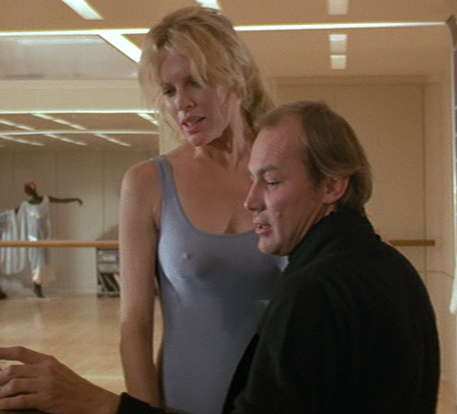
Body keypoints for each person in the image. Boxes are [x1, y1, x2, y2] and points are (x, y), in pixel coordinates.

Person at [0, 100, 440, 414]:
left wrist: (97, 403)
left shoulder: (314, 291)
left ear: (331, 186)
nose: (251, 200)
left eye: (271, 182)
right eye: (252, 179)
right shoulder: (391, 268)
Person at [118, 6, 285, 414]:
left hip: (283, 396)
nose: (182, 104)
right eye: (169, 91)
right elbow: (134, 326)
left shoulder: (290, 172)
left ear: (236, 79)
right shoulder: (147, 183)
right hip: (183, 399)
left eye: (195, 82)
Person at [0, 182, 83, 298]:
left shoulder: (45, 200)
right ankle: (37, 287)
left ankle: (38, 286)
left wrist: (75, 199)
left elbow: (61, 200)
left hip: (44, 236)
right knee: (37, 261)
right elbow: (11, 215)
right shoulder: (25, 205)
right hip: (33, 237)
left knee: (44, 261)